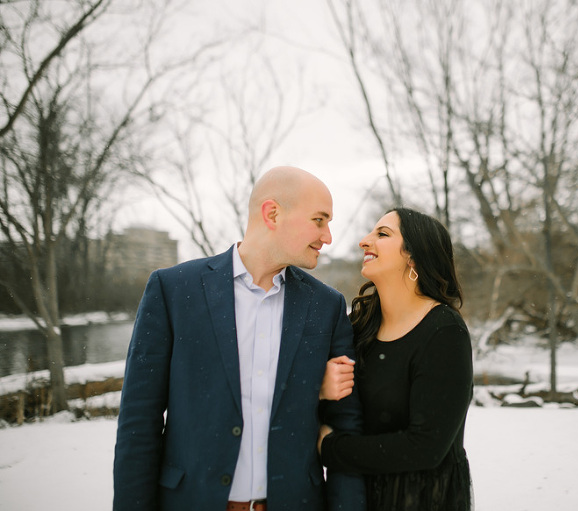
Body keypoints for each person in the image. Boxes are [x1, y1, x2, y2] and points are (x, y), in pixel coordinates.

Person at [113, 166, 366, 511]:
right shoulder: (173, 290)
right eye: (319, 220)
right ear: (272, 214)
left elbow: (345, 426)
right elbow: (138, 422)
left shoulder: (327, 306)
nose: (328, 236)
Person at [318, 207, 474, 511]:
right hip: (359, 497)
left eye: (382, 234)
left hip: (423, 500)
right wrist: (321, 390)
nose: (364, 241)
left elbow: (426, 447)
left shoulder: (444, 331)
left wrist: (330, 448)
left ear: (413, 256)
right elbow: (341, 410)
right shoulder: (360, 325)